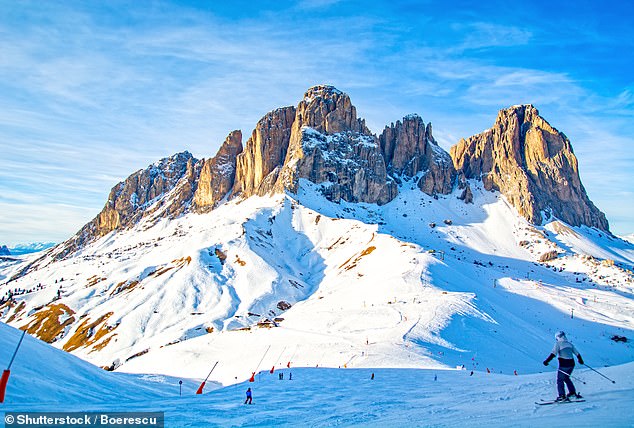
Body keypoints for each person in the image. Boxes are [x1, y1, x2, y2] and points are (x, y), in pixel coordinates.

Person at [543, 331, 584, 401]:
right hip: (571, 364)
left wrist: (546, 361)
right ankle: (572, 392)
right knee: (566, 378)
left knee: (560, 379)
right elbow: (577, 354)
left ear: (557, 338)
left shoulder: (558, 344)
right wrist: (580, 360)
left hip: (564, 364)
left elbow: (553, 354)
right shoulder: (569, 344)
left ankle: (562, 395)